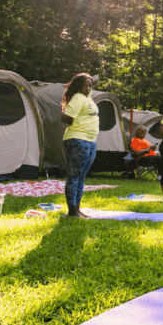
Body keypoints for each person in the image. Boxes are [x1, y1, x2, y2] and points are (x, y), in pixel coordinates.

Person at [61, 73, 100, 218]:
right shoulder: (78, 97)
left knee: (81, 176)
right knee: (74, 175)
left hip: (90, 141)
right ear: (79, 87)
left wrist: (88, 79)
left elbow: (95, 79)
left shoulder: (87, 97)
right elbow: (65, 117)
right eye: (86, 86)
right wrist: (80, 125)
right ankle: (72, 211)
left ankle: (77, 209)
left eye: (90, 86)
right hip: (78, 140)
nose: (89, 88)